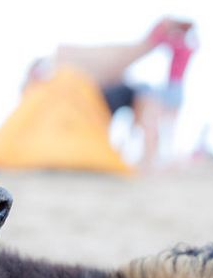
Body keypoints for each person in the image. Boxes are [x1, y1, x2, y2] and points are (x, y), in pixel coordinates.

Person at [50, 17, 196, 167]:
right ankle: (156, 158)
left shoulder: (181, 46)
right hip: (173, 88)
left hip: (172, 88)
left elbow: (152, 43)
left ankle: (157, 158)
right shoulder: (185, 46)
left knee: (162, 124)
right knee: (165, 124)